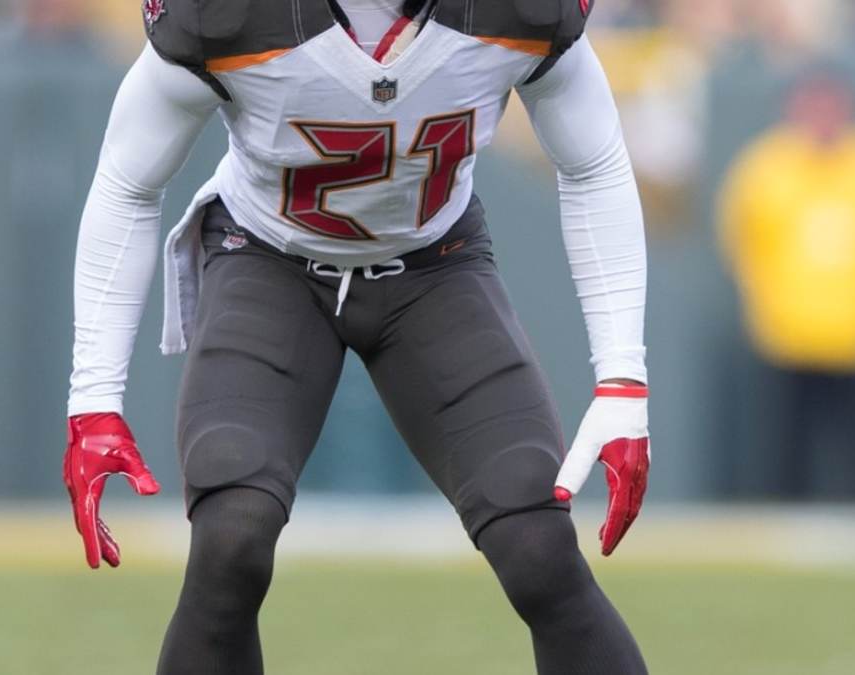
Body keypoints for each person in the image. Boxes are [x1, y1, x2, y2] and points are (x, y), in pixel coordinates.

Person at [61, 1, 652, 673]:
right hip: (268, 260)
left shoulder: (513, 10)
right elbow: (127, 183)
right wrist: (94, 398)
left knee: (537, 542)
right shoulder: (231, 13)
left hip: (436, 267)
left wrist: (622, 376)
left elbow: (595, 162)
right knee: (232, 535)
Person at [717, 73, 855, 500]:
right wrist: (763, 296)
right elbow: (740, 236)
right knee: (785, 442)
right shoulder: (767, 164)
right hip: (787, 329)